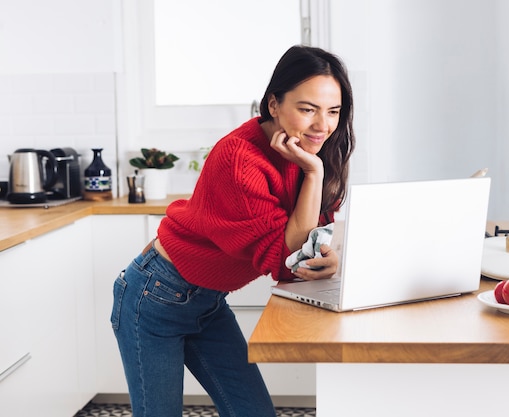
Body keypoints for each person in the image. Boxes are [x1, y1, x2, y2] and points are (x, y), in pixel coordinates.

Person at [111, 45, 355, 417]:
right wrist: (313, 174)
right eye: (307, 109)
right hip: (155, 296)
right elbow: (286, 261)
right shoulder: (240, 159)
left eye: (333, 111)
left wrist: (328, 254)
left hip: (207, 301)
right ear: (273, 104)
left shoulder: (310, 148)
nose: (322, 125)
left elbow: (313, 238)